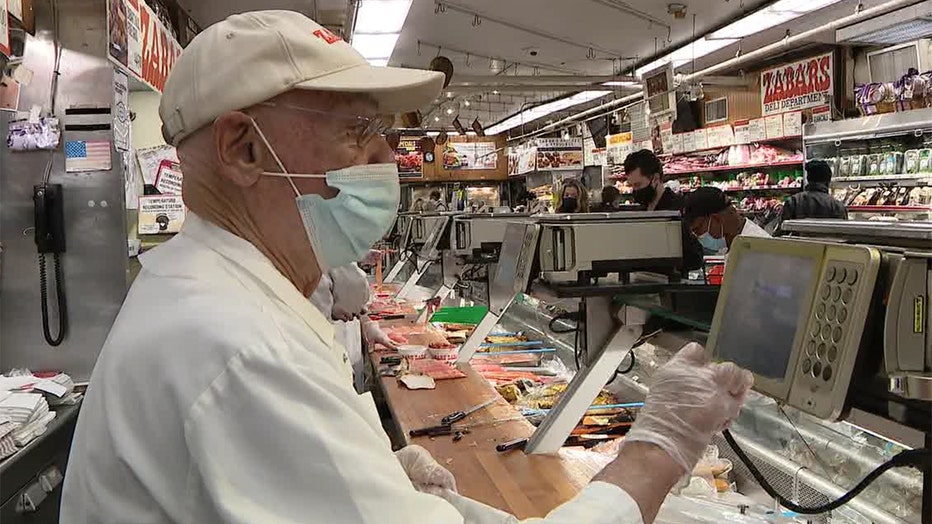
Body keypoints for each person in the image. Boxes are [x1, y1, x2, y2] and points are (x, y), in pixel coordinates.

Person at [61, 12, 754, 524]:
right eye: (358, 130)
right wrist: (657, 450)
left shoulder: (221, 296)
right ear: (244, 149)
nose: (386, 161)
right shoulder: (238, 346)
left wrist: (376, 477)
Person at [310, 263, 397, 392]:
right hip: (328, 372)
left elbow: (352, 286)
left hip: (350, 358)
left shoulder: (340, 268)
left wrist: (368, 326)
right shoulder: (315, 293)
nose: (361, 311)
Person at [623, 149, 703, 270]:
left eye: (638, 185)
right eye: (632, 186)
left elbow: (695, 257)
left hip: (672, 284)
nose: (635, 191)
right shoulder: (640, 210)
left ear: (655, 179)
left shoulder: (678, 208)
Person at [684, 186, 771, 255]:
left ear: (716, 219)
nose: (698, 237)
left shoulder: (758, 249)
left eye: (697, 230)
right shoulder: (734, 243)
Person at [778, 159, 847, 232]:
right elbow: (844, 234)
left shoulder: (793, 202)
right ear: (828, 181)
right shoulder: (838, 206)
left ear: (808, 179)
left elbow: (781, 232)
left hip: (797, 243)